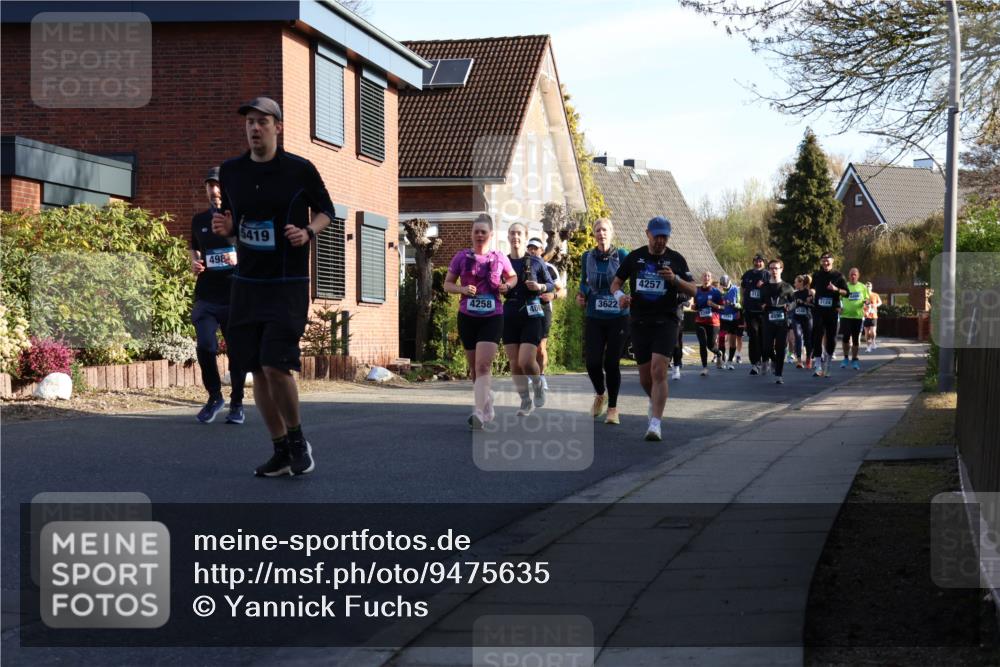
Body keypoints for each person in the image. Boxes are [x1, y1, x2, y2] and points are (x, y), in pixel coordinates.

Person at [213, 96, 337, 477]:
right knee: (256, 370)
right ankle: (280, 449)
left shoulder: (299, 169)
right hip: (248, 282)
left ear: (278, 127)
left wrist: (307, 232)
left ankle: (298, 442)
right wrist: (229, 230)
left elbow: (326, 211)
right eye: (249, 122)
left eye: (262, 122)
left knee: (275, 363)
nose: (254, 128)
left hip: (287, 282)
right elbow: (236, 221)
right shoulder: (231, 172)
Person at [610, 216, 696, 442]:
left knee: (659, 370)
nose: (660, 241)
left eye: (664, 237)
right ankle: (654, 400)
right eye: (656, 236)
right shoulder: (635, 257)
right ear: (647, 233)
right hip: (639, 321)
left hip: (666, 320)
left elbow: (694, 290)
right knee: (645, 378)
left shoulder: (676, 259)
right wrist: (620, 297)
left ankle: (655, 424)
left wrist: (675, 279)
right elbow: (615, 283)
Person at [444, 214, 516, 429]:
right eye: (476, 231)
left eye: (483, 232)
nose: (479, 235)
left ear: (491, 235)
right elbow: (447, 284)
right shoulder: (461, 257)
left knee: (483, 365)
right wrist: (462, 289)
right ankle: (487, 404)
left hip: (493, 317)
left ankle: (479, 411)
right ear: (471, 234)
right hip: (467, 316)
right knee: (474, 369)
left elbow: (513, 277)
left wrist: (508, 286)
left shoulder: (500, 257)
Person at [190, 166, 245, 424]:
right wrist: (195, 263)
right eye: (211, 187)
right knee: (205, 345)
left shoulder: (240, 220)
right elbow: (195, 250)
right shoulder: (199, 221)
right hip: (207, 297)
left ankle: (237, 403)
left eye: (219, 187)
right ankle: (214, 396)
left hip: (235, 297)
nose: (215, 192)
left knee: (237, 352)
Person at [577, 218, 630, 425]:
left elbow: (631, 280)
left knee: (611, 362)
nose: (601, 233)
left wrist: (629, 297)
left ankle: (613, 408)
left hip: (618, 316)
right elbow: (583, 282)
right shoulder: (586, 257)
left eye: (605, 230)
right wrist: (580, 295)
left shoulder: (623, 255)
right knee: (591, 363)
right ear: (594, 234)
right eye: (597, 230)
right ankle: (600, 394)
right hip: (594, 315)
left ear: (611, 233)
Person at [503, 224, 554, 416]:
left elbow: (550, 284)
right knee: (515, 364)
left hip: (532, 312)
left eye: (519, 234)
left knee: (526, 361)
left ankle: (538, 383)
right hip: (510, 312)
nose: (515, 237)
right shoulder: (502, 262)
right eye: (512, 234)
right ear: (508, 237)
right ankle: (525, 400)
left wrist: (539, 287)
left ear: (525, 238)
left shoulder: (536, 262)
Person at [527, 237, 564, 392]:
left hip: (543, 308)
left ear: (542, 250)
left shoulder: (549, 268)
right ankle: (531, 374)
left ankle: (541, 375)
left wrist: (553, 296)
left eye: (535, 248)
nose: (532, 251)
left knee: (541, 347)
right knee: (528, 345)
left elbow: (562, 291)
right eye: (530, 248)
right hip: (527, 308)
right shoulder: (524, 266)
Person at [810, 252, 849, 378]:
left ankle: (827, 361)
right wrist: (812, 291)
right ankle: (817, 365)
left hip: (832, 311)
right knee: (817, 334)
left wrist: (836, 289)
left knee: (831, 338)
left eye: (828, 260)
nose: (826, 262)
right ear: (821, 262)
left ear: (832, 261)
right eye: (823, 260)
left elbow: (846, 293)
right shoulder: (816, 275)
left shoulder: (838, 276)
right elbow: (813, 288)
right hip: (818, 310)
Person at [761, 259, 796, 384]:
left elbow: (793, 301)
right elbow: (759, 301)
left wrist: (789, 306)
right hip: (768, 321)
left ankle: (779, 374)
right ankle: (773, 359)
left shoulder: (787, 287)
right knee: (766, 347)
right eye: (771, 268)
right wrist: (762, 305)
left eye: (776, 268)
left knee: (780, 347)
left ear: (781, 269)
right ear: (769, 270)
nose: (774, 271)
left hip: (782, 322)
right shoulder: (764, 287)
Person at [740, 253, 769, 375]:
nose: (758, 263)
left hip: (763, 312)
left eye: (760, 261)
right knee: (753, 337)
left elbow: (774, 289)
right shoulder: (747, 274)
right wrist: (742, 300)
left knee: (764, 337)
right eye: (756, 261)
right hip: (750, 311)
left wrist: (764, 286)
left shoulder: (767, 274)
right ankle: (754, 363)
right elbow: (742, 287)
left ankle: (765, 360)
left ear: (764, 262)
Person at [692, 271, 724, 376]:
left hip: (713, 322)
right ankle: (704, 367)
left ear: (711, 279)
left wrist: (714, 305)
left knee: (711, 346)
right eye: (705, 276)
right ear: (702, 278)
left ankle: (719, 353)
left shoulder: (716, 292)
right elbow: (696, 306)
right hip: (700, 321)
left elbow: (722, 307)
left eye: (708, 276)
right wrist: (694, 307)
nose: (706, 277)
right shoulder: (697, 291)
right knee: (702, 343)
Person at [839, 267, 870, 370]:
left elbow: (867, 299)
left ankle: (855, 359)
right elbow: (837, 299)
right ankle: (845, 358)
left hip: (857, 316)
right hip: (845, 316)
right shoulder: (845, 286)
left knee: (856, 338)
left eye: (854, 275)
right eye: (851, 274)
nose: (853, 276)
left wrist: (866, 302)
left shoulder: (862, 287)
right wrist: (838, 307)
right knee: (845, 337)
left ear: (858, 276)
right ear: (849, 276)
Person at [718, 274, 742, 370]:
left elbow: (740, 305)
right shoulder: (719, 291)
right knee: (722, 339)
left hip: (733, 318)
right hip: (722, 318)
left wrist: (732, 304)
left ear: (730, 282)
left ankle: (730, 361)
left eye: (725, 284)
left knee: (732, 341)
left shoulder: (736, 289)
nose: (724, 287)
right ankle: (723, 357)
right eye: (722, 284)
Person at [791, 275, 815, 369]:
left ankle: (809, 358)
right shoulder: (794, 294)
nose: (794, 284)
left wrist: (803, 303)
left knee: (808, 338)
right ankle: (799, 360)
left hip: (807, 318)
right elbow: (790, 305)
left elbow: (813, 306)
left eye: (796, 282)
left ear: (801, 282)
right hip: (796, 318)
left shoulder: (809, 293)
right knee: (797, 335)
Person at [864, 282, 882, 351]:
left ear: (871, 287)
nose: (868, 287)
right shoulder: (863, 295)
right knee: (867, 333)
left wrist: (876, 305)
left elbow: (880, 302)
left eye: (869, 286)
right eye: (867, 286)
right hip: (865, 316)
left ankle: (873, 342)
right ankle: (868, 347)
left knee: (873, 332)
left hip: (873, 316)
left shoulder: (875, 295)